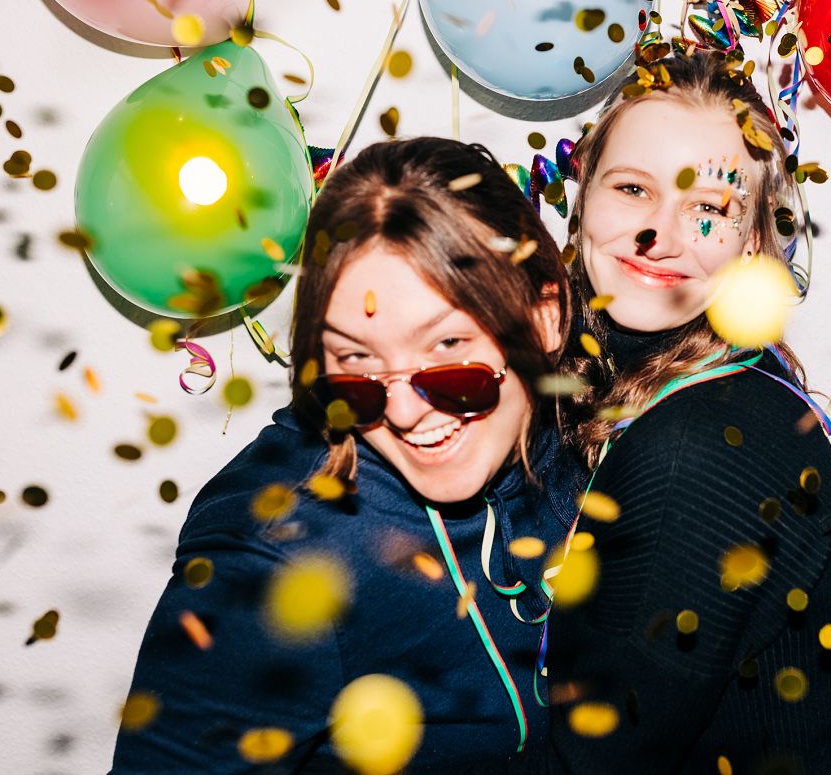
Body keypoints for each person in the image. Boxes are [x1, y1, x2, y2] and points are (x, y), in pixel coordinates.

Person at [109, 137, 585, 774]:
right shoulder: (276, 558)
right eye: (356, 366)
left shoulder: (576, 434)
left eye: (449, 349)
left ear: (545, 320)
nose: (406, 412)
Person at [491, 48, 831, 773]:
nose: (657, 236)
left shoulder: (701, 446)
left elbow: (595, 758)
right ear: (582, 196)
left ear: (754, 242)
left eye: (708, 207)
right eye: (634, 189)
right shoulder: (621, 376)